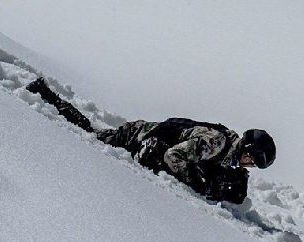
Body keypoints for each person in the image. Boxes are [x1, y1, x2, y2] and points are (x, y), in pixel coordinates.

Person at [26, 78, 275, 203]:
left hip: (148, 136)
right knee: (88, 135)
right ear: (247, 150)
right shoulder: (216, 143)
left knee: (92, 134)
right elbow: (173, 157)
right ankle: (45, 95)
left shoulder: (226, 152)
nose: (248, 166)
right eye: (251, 161)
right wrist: (197, 184)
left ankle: (45, 94)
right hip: (139, 136)